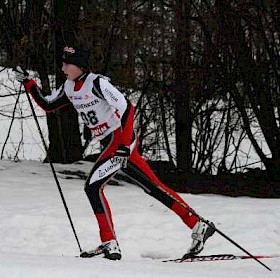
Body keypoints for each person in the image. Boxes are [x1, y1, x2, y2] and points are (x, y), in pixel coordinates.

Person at [15, 45, 215, 260]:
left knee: (93, 187)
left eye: (66, 64)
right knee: (154, 188)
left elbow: (127, 108)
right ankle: (198, 225)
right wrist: (28, 82)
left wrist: (124, 144)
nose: (62, 67)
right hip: (110, 144)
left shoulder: (97, 83)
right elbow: (47, 104)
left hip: (119, 141)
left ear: (79, 65)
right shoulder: (69, 87)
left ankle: (110, 243)